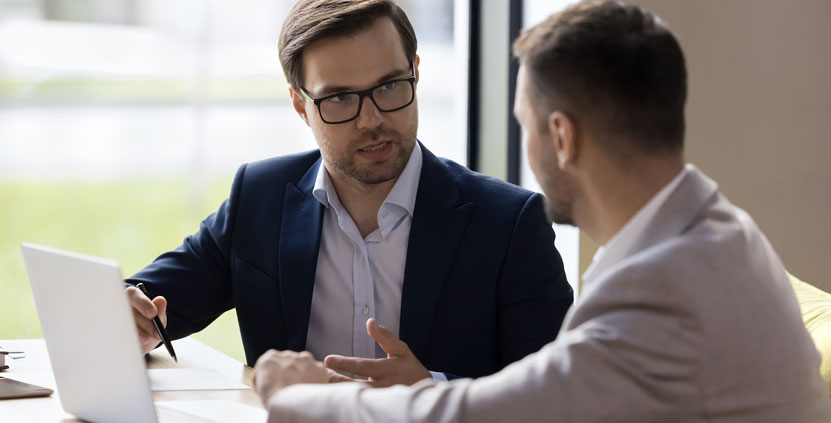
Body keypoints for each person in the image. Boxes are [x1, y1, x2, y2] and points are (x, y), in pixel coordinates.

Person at [250, 1, 831, 421]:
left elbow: (503, 411)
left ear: (561, 137)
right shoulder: (713, 230)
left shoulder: (666, 283)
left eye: (523, 123)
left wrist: (295, 392)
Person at [124, 0, 573, 385]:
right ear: (301, 106)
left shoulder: (509, 224)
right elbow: (151, 302)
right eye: (339, 98)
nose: (371, 119)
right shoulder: (259, 199)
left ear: (415, 74)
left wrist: (432, 391)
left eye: (389, 86)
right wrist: (128, 312)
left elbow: (562, 391)